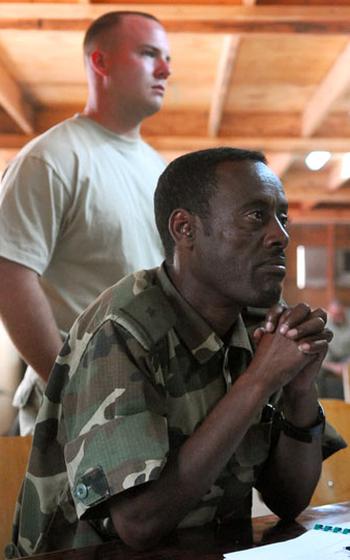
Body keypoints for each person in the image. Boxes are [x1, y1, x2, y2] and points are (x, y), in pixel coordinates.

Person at [7, 147, 345, 558]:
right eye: (256, 216)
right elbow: (139, 524)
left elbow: (289, 500)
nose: (280, 235)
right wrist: (259, 380)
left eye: (282, 217)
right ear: (184, 228)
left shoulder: (256, 321)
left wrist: (299, 391)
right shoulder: (122, 330)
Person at [0, 11, 171, 435]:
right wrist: (72, 390)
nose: (166, 69)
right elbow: (9, 275)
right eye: (149, 54)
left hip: (146, 400)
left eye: (166, 57)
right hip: (72, 415)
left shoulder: (158, 168)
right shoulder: (52, 159)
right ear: (101, 62)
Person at [317, 299, 350, 399]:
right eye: (335, 314)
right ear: (330, 314)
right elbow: (320, 354)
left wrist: (347, 364)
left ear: (343, 311)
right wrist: (333, 367)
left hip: (347, 358)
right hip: (329, 361)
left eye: (340, 313)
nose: (338, 317)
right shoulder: (324, 327)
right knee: (316, 370)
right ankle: (322, 402)